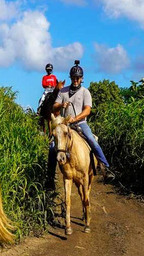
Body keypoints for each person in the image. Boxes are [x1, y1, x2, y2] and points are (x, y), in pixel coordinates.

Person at [46, 60, 114, 188]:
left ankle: (105, 168)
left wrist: (75, 119)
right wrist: (61, 105)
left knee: (92, 140)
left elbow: (87, 110)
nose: (75, 80)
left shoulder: (85, 92)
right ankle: (50, 178)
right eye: (73, 78)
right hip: (65, 125)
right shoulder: (63, 91)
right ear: (71, 78)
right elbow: (54, 106)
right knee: (52, 146)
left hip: (80, 123)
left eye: (78, 78)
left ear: (81, 79)